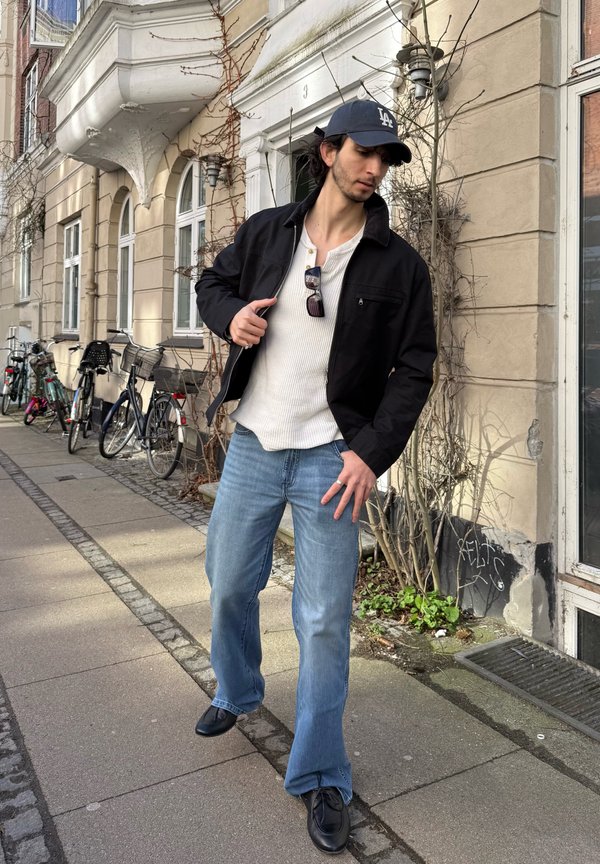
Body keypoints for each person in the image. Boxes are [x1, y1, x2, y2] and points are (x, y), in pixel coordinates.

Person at [194, 98, 437, 855]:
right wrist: (229, 317)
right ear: (328, 151)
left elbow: (415, 366)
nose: (374, 168)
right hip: (256, 445)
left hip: (335, 458)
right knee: (230, 580)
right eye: (363, 151)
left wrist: (371, 451)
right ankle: (236, 690)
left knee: (327, 619)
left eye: (387, 158)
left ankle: (322, 770)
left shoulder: (399, 265)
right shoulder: (270, 230)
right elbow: (212, 285)